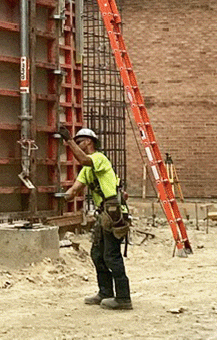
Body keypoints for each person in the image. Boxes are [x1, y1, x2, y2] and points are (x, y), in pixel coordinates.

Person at [61, 127, 131, 310]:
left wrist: (68, 141)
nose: (77, 145)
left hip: (114, 214)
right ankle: (105, 292)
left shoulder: (99, 159)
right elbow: (75, 189)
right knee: (97, 254)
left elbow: (83, 158)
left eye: (79, 142)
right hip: (104, 214)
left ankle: (123, 298)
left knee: (111, 256)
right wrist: (61, 197)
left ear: (89, 142)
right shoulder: (87, 169)